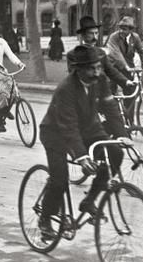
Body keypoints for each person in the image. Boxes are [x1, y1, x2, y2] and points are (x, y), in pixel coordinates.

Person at [36, 44, 132, 240]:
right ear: (78, 69)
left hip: (88, 128)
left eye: (98, 67)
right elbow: (68, 127)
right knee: (60, 179)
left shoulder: (100, 80)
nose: (97, 72)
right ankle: (45, 219)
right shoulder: (66, 89)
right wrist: (82, 156)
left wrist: (122, 135)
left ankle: (89, 201)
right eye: (91, 68)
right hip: (56, 133)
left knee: (115, 153)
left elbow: (110, 107)